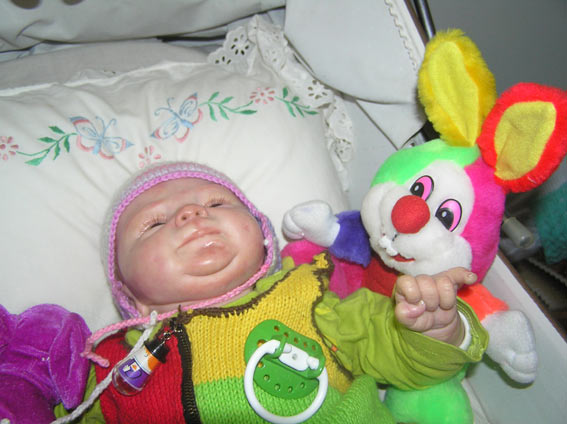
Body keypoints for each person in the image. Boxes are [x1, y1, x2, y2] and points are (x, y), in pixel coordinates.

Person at [58, 161, 488, 423]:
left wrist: (434, 330)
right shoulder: (111, 366)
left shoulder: (309, 296)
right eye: (153, 224)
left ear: (265, 238)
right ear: (127, 291)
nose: (191, 213)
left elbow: (403, 358)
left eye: (217, 203)